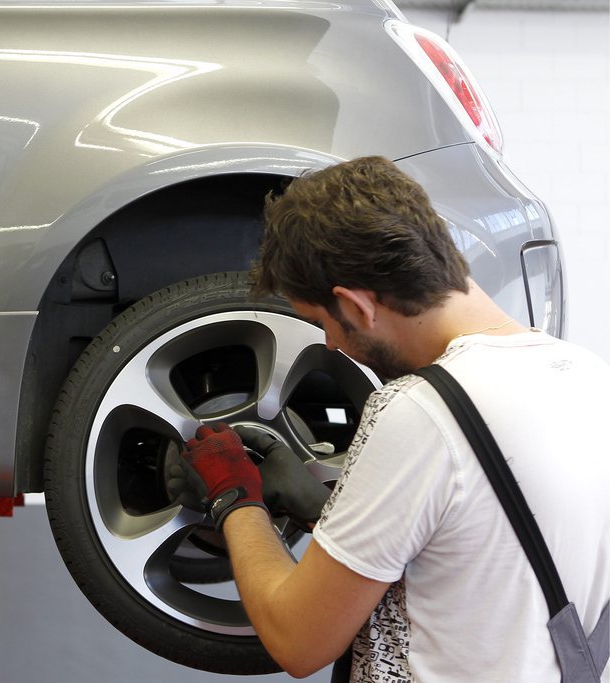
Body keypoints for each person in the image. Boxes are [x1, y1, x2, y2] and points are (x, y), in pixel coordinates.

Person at [167, 156, 610, 681]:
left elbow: (298, 641)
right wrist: (323, 511)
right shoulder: (589, 377)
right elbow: (479, 553)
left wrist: (234, 498)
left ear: (355, 305)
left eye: (321, 323)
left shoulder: (420, 412)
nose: (331, 345)